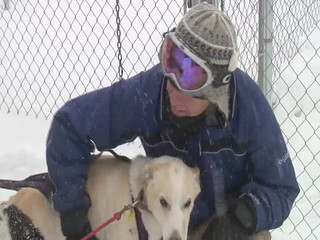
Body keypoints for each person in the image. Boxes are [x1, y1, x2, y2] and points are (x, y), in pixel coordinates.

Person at [46, 2, 300, 240]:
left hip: (219, 222)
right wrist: (73, 208)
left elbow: (281, 188)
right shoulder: (150, 91)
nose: (173, 88)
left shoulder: (248, 108)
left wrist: (243, 216)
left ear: (215, 89)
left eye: (191, 77)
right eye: (173, 62)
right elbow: (69, 126)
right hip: (161, 220)